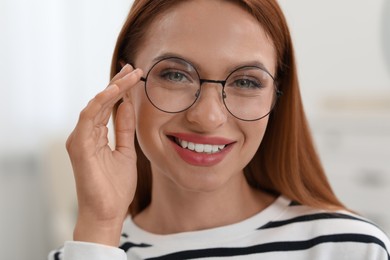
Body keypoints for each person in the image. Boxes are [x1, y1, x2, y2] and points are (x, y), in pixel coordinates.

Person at [48, 0, 390, 259]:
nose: (208, 116)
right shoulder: (90, 249)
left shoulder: (350, 248)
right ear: (124, 81)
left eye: (246, 81)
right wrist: (101, 226)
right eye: (175, 74)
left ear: (275, 96)